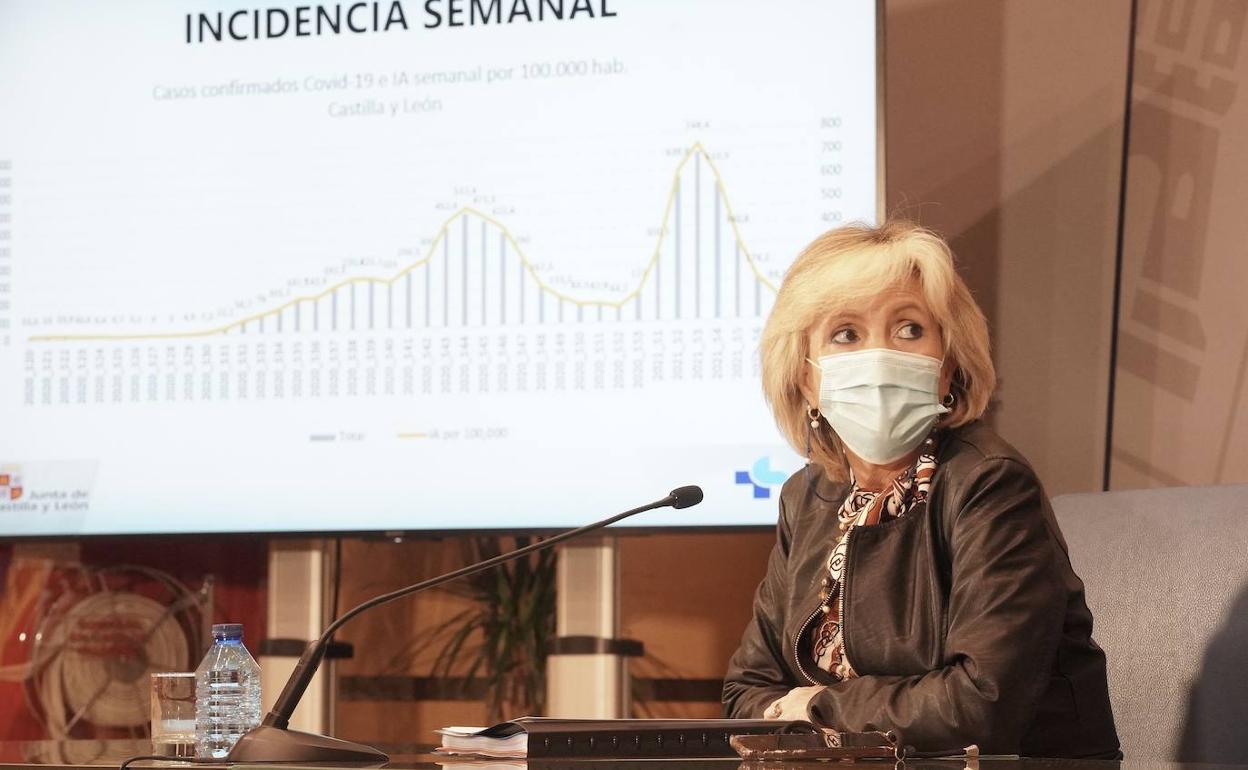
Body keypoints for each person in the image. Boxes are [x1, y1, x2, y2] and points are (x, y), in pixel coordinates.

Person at [722, 221, 1120, 758]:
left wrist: (820, 707)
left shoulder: (988, 483)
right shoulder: (808, 497)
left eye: (910, 329)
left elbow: (981, 705)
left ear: (948, 364)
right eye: (846, 335)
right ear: (806, 379)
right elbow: (745, 694)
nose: (881, 356)